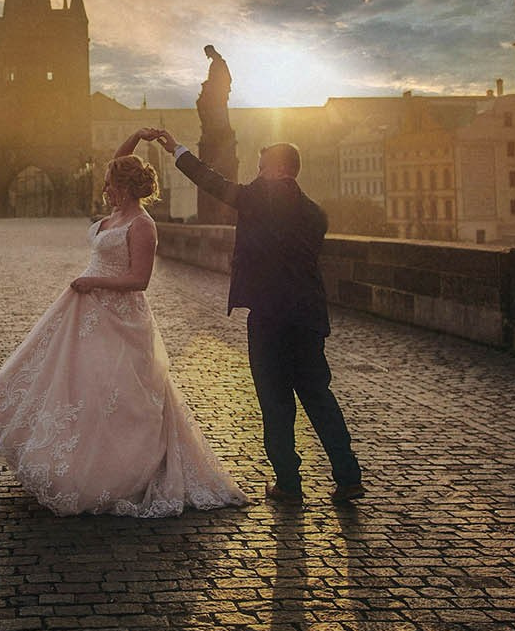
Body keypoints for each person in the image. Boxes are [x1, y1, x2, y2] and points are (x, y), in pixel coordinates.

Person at [0, 128, 248, 517]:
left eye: (112, 184)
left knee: (112, 392)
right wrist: (137, 136)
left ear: (126, 188)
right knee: (73, 385)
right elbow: (116, 162)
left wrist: (93, 281)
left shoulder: (143, 225)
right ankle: (68, 459)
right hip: (85, 311)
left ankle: (112, 471)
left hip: (120, 318)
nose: (105, 188)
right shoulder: (116, 214)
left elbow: (139, 281)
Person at [153, 130, 364, 503]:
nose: (257, 173)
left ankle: (288, 483)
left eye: (262, 166)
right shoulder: (316, 213)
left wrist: (177, 150)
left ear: (279, 169)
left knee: (275, 400)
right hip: (309, 315)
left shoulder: (256, 199)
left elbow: (212, 182)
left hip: (270, 315)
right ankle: (348, 477)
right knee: (319, 396)